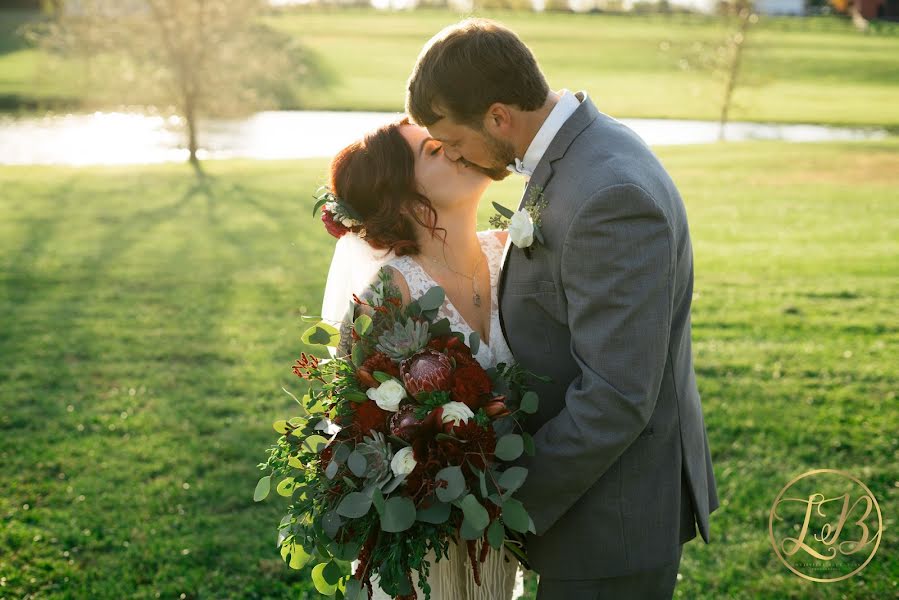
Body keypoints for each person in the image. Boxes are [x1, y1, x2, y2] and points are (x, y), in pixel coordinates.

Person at [404, 18, 720, 600]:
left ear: (499, 116)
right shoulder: (579, 151)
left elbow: (617, 396)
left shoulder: (608, 196)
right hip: (591, 510)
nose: (452, 155)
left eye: (452, 140)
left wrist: (503, 503)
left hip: (611, 520)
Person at [319, 116, 525, 599]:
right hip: (423, 535)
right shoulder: (389, 292)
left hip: (505, 522)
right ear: (406, 199)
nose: (457, 148)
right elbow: (358, 419)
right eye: (435, 151)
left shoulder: (514, 253)